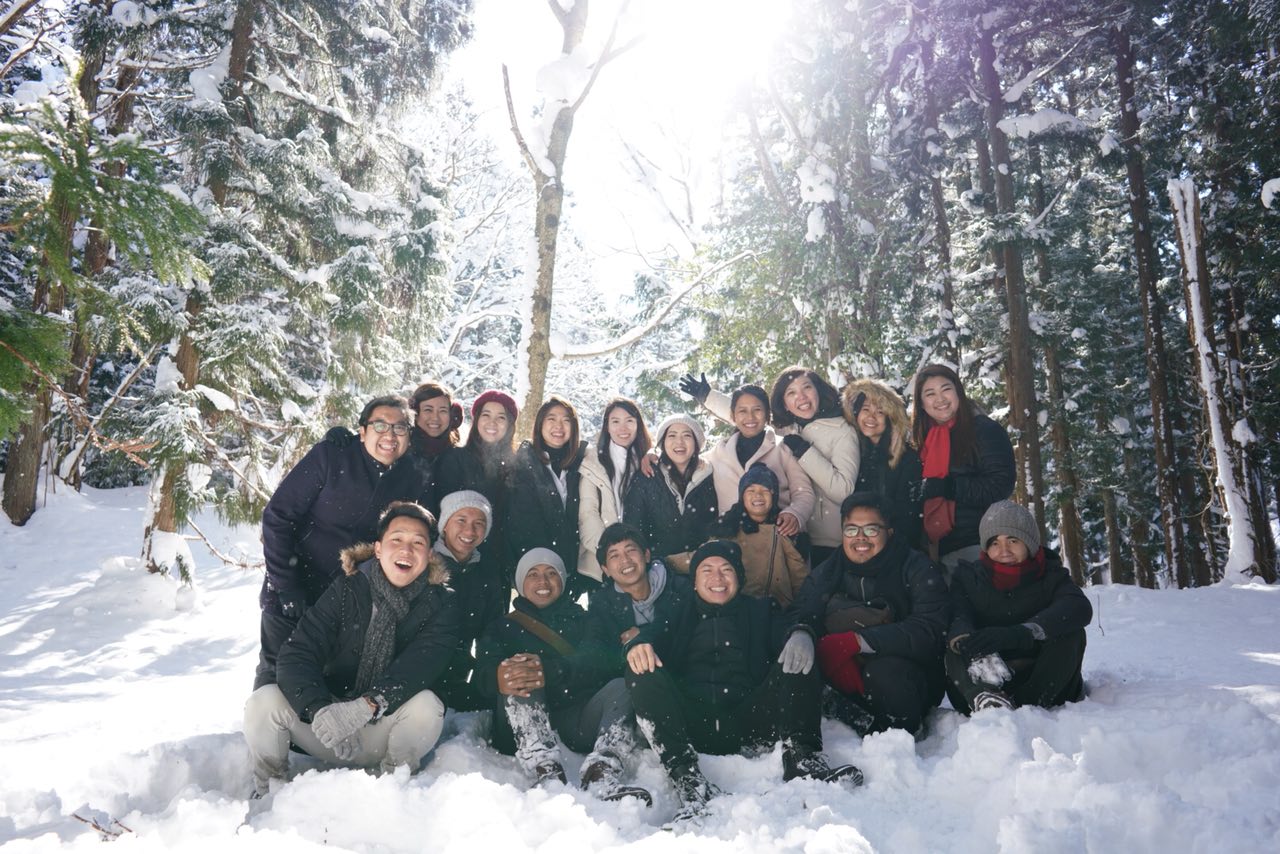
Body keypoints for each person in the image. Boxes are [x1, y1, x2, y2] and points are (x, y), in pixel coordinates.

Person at [627, 540, 862, 825]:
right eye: (707, 570)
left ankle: (802, 758)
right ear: (695, 582)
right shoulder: (678, 612)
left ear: (739, 577)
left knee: (798, 650)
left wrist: (801, 633)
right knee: (640, 667)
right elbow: (652, 634)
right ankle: (687, 778)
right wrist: (639, 644)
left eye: (726, 570)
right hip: (691, 724)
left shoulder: (761, 610)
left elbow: (787, 630)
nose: (717, 578)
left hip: (751, 721)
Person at [244, 502, 458, 796]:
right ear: (378, 549)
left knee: (427, 706)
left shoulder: (441, 603)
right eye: (396, 539)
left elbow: (421, 665)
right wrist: (320, 710)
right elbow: (297, 653)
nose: (406, 550)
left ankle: (394, 791)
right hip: (326, 729)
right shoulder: (348, 588)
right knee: (263, 701)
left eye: (417, 543)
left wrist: (366, 706)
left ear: (430, 554)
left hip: (384, 730)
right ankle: (269, 792)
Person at [256, 395, 423, 688]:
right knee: (277, 676)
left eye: (399, 428)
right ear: (362, 431)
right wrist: (286, 585)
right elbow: (278, 517)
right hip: (296, 586)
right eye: (380, 425)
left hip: (350, 599)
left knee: (325, 683)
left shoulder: (410, 475)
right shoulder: (331, 456)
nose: (390, 435)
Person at [474, 547, 649, 803]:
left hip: (575, 720)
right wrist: (499, 676)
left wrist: (551, 671)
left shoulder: (585, 620)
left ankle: (602, 771)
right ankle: (545, 771)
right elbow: (481, 677)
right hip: (518, 727)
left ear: (562, 580)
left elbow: (597, 661)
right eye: (533, 574)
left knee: (622, 686)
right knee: (521, 673)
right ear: (521, 583)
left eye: (551, 573)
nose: (543, 582)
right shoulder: (501, 627)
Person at [791, 492, 949, 736]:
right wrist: (802, 633)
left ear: (889, 532)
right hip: (842, 677)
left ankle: (900, 732)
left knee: (884, 673)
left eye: (871, 529)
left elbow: (930, 628)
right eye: (851, 529)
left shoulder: (916, 568)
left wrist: (857, 642)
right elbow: (800, 612)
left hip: (906, 676)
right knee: (797, 657)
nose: (860, 538)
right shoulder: (827, 572)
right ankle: (844, 720)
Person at [945, 501, 1092, 713]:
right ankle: (986, 699)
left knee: (1071, 633)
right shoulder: (969, 577)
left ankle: (1027, 706)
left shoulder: (1051, 575)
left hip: (1044, 681)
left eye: (1012, 540)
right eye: (995, 543)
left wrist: (1023, 633)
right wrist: (968, 640)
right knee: (954, 642)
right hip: (987, 674)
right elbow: (958, 614)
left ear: (1029, 543)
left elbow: (1078, 607)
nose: (1003, 551)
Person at [680, 377, 815, 542]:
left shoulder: (784, 449)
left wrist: (795, 514)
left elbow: (804, 493)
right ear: (733, 415)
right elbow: (681, 460)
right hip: (731, 543)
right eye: (742, 411)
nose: (750, 417)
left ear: (767, 415)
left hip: (776, 539)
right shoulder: (718, 452)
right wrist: (653, 456)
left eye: (757, 410)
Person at [910, 364, 1016, 572]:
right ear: (921, 403)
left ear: (958, 391)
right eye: (930, 394)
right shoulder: (923, 439)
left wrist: (947, 487)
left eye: (946, 389)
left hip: (977, 542)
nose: (940, 399)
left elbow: (1000, 485)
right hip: (935, 549)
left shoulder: (984, 430)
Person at [769, 367, 861, 566]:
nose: (801, 397)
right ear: (784, 404)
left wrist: (805, 452)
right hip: (794, 537)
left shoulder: (842, 430)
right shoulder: (789, 430)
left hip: (831, 542)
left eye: (807, 387)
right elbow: (751, 417)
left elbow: (843, 490)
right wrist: (709, 397)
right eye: (791, 392)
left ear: (818, 390)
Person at [432, 490, 508, 711]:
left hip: (460, 678)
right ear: (445, 525)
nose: (469, 531)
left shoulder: (487, 571)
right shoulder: (424, 561)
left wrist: (489, 679)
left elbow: (492, 632)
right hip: (418, 676)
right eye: (461, 520)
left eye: (479, 523)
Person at [506, 396, 589, 589]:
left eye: (566, 420)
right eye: (551, 419)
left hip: (574, 569)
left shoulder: (584, 462)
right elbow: (519, 523)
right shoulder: (523, 463)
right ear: (540, 424)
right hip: (536, 570)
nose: (558, 426)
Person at [623, 414, 718, 572]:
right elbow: (633, 529)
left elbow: (714, 527)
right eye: (672, 435)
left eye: (686, 435)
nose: (679, 442)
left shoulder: (708, 477)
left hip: (701, 569)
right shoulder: (646, 476)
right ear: (663, 443)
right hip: (658, 570)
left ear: (696, 443)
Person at [432, 390, 519, 562]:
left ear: (510, 424)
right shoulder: (455, 459)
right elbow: (442, 513)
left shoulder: (518, 466)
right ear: (477, 419)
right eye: (486, 415)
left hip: (502, 558)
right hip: (458, 555)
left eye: (501, 417)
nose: (492, 422)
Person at [578, 398, 652, 583]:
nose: (623, 428)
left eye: (629, 420)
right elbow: (588, 513)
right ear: (607, 427)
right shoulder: (592, 462)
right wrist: (610, 555)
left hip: (641, 564)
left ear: (638, 425)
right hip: (601, 567)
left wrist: (636, 555)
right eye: (615, 421)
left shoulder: (646, 461)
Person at [843, 378, 924, 547]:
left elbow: (908, 513)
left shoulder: (906, 457)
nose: (871, 417)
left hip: (895, 544)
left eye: (880, 412)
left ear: (890, 418)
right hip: (856, 542)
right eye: (865, 409)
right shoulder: (851, 452)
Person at [714, 463, 809, 606]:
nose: (758, 495)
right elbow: (703, 557)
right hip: (738, 608)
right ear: (742, 497)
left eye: (765, 490)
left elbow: (799, 577)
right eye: (751, 490)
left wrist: (802, 608)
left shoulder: (784, 530)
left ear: (774, 496)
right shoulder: (727, 528)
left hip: (778, 608)